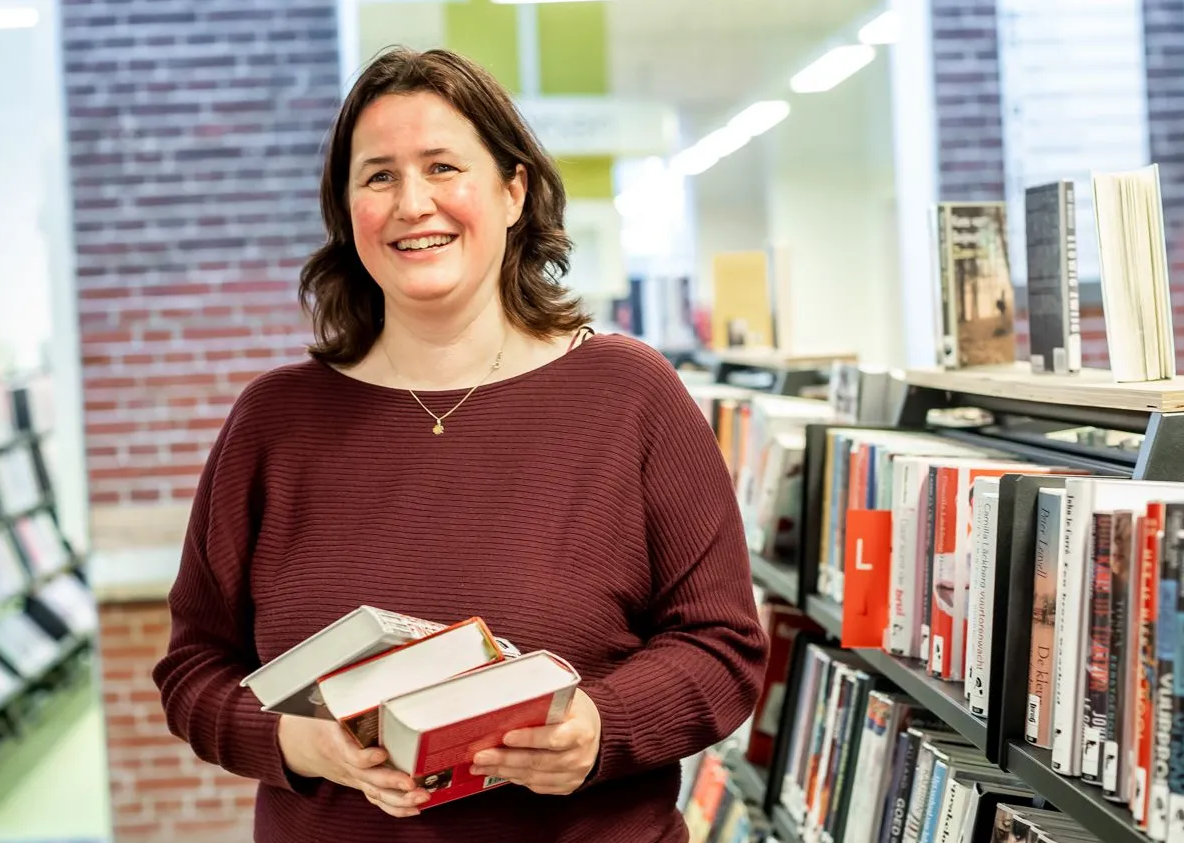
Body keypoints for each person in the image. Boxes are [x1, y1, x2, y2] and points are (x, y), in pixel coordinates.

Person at [151, 46, 769, 843]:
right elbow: (194, 669)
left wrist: (596, 726)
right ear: (348, 211)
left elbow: (723, 647)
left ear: (514, 190)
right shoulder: (273, 422)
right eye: (378, 176)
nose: (414, 203)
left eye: (444, 167)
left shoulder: (631, 393)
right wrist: (298, 742)